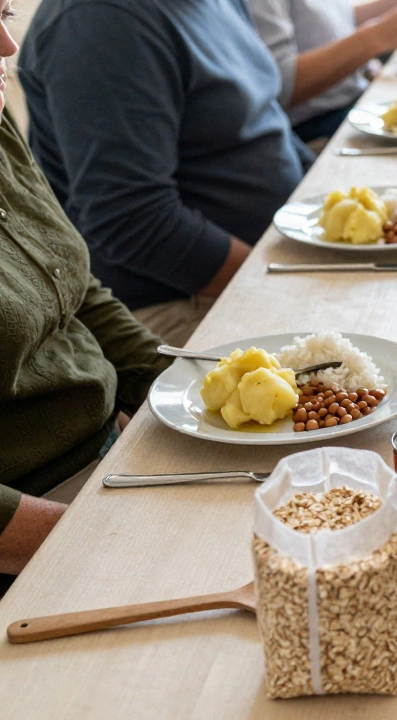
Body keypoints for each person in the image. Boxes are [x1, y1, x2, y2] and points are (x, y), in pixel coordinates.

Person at [19, 0, 313, 346]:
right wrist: (277, 284)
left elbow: (264, 116)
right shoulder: (99, 21)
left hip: (272, 254)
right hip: (184, 298)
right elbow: (132, 219)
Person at [0, 0, 171, 587]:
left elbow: (75, 287)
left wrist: (171, 390)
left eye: (4, 14)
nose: (8, 47)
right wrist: (89, 538)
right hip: (37, 520)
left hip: (110, 454)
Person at [246, 0, 397, 143]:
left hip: (358, 92)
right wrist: (377, 36)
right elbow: (279, 85)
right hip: (318, 122)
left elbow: (337, 21)